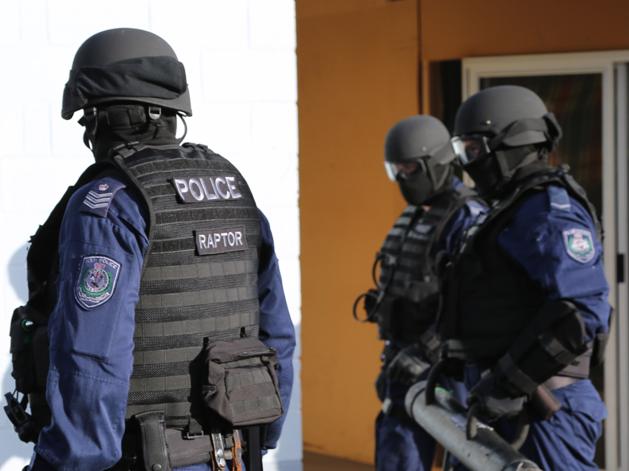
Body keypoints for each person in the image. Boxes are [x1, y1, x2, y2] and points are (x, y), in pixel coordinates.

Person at [6, 28, 295, 471]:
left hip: (144, 457)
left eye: (87, 120)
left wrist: (68, 461)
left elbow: (93, 353)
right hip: (239, 455)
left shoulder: (111, 200)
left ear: (105, 118)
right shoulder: (234, 191)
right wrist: (263, 435)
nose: (88, 134)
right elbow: (276, 334)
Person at [440, 85, 610, 470]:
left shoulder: (547, 211)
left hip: (544, 409)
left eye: (474, 150)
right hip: (497, 402)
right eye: (461, 150)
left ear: (514, 143)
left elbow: (579, 315)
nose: (468, 163)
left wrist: (508, 384)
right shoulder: (507, 210)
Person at [353, 115, 485, 471]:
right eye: (396, 170)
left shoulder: (467, 217)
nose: (403, 179)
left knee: (467, 458)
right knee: (398, 457)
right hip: (403, 364)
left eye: (410, 168)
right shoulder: (412, 216)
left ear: (436, 162)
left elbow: (471, 305)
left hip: (450, 368)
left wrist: (426, 352)